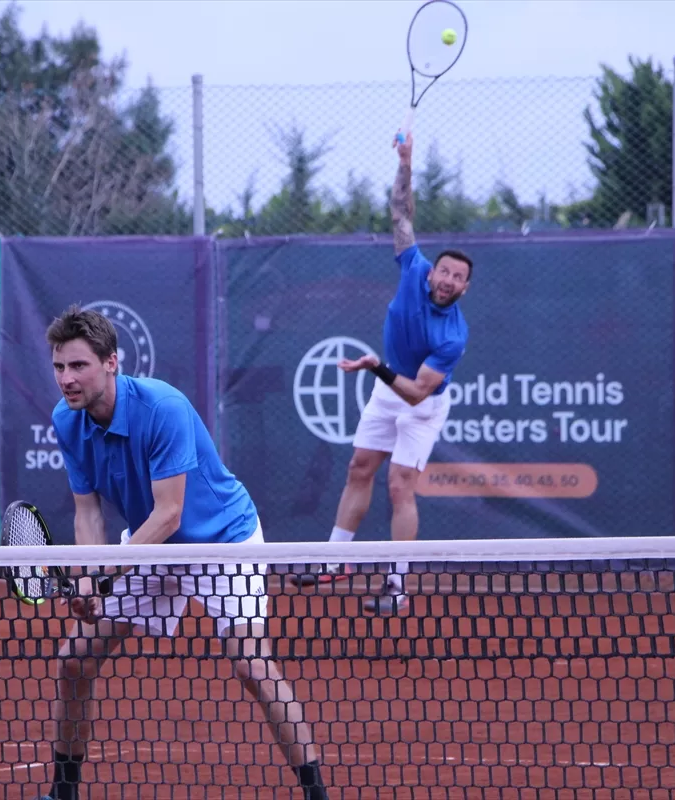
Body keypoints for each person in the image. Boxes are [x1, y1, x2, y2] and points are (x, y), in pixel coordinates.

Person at [35, 305, 329, 800]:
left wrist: (102, 578)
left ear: (111, 362)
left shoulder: (162, 407)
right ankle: (63, 794)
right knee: (75, 661)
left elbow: (170, 513)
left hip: (223, 542)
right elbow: (88, 515)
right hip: (148, 547)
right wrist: (88, 575)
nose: (67, 378)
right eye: (60, 366)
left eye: (78, 365)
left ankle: (317, 794)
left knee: (252, 666)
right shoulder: (68, 421)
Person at [290, 131, 472, 615]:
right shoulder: (413, 267)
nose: (448, 279)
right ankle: (334, 562)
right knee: (359, 468)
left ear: (464, 289)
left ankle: (396, 586)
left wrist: (376, 366)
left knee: (398, 485)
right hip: (389, 388)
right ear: (433, 273)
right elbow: (401, 212)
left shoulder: (453, 335)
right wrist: (406, 164)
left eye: (459, 277)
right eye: (445, 271)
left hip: (420, 404)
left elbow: (415, 394)